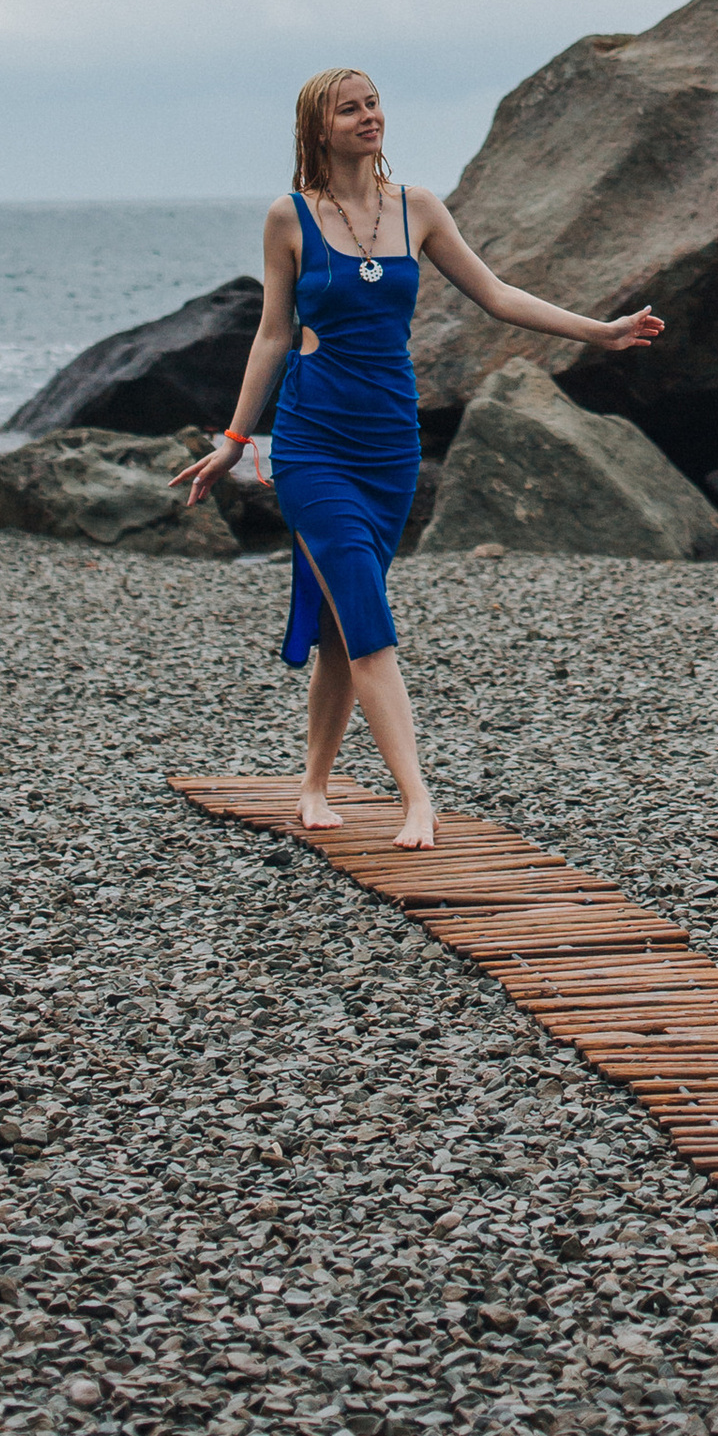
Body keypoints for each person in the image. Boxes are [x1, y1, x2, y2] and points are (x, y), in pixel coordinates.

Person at [172, 66, 663, 850]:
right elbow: (271, 333)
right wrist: (235, 442)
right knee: (366, 613)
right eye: (350, 108)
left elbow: (498, 295)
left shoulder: (419, 209)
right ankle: (417, 799)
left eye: (373, 103)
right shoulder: (290, 219)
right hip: (311, 442)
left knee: (343, 616)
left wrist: (599, 332)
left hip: (389, 443)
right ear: (318, 127)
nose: (370, 116)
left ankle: (312, 783)